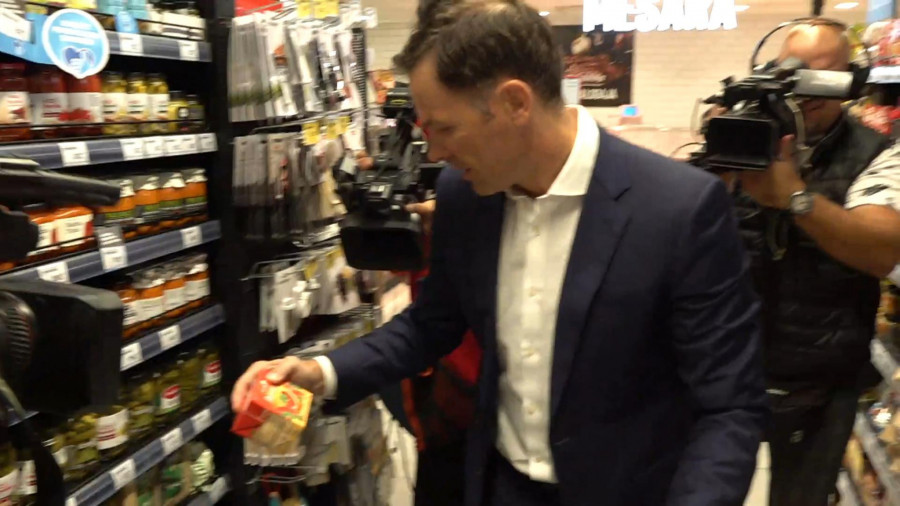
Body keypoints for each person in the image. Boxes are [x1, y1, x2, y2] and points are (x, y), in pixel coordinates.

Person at [232, 1, 768, 505]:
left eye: (445, 128)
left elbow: (729, 408)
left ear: (515, 103)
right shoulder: (466, 195)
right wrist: (319, 371)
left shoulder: (678, 209)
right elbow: (430, 326)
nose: (435, 152)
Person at [723, 21, 899, 506]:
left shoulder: (878, 154)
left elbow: (881, 252)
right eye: (792, 73)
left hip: (819, 382)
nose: (804, 90)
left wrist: (794, 198)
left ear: (852, 81)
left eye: (823, 76)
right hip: (730, 367)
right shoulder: (747, 135)